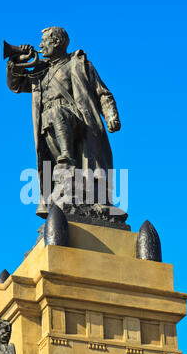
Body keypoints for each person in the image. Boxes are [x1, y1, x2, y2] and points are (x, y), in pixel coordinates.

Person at [6, 27, 121, 217]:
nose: (41, 46)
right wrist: (16, 61)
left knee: (57, 112)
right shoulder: (40, 70)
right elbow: (16, 85)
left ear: (57, 42)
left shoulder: (78, 65)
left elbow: (102, 93)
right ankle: (61, 193)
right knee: (58, 166)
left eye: (45, 41)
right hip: (49, 128)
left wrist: (111, 116)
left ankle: (68, 162)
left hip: (78, 121)